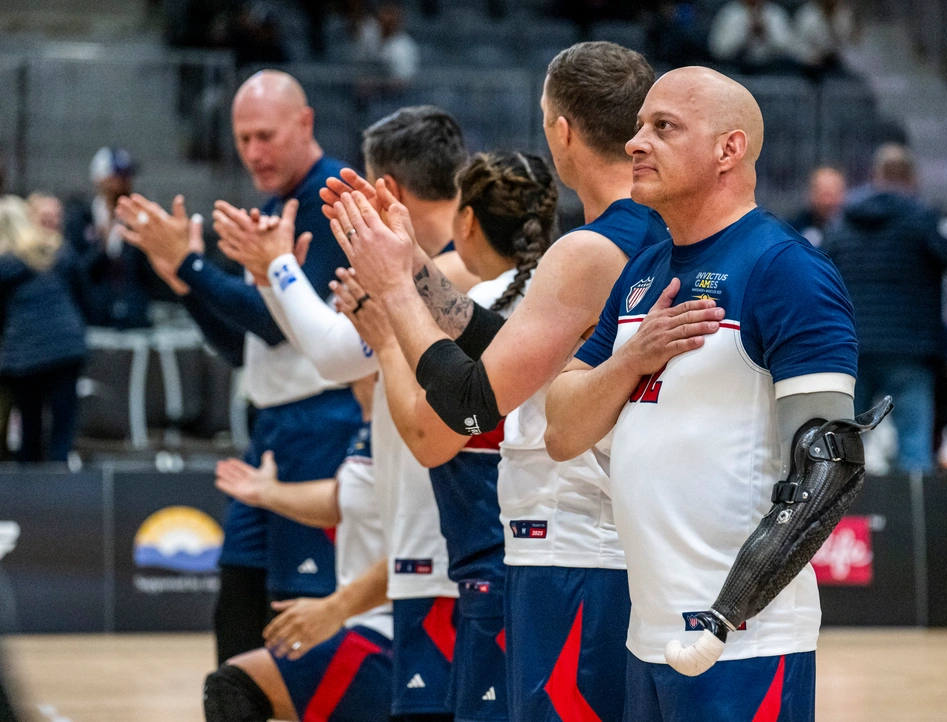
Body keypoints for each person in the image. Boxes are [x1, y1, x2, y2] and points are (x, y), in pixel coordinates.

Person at [321, 42, 709, 722]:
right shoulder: (653, 233)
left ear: (561, 130)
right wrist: (414, 265)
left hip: (576, 547)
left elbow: (473, 406)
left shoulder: (589, 250)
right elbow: (519, 356)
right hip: (621, 545)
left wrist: (393, 296)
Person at [544, 66, 866, 719]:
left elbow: (828, 475)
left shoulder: (787, 271)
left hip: (746, 646)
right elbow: (562, 430)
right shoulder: (643, 272)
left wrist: (729, 611)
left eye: (663, 128)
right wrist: (634, 356)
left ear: (729, 148)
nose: (636, 142)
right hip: (648, 635)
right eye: (638, 126)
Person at [212, 105, 476, 721]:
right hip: (421, 577)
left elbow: (336, 355)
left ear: (388, 191)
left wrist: (279, 267)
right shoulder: (444, 273)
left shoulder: (447, 276)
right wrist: (272, 278)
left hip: (436, 577)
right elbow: (339, 349)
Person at [115, 70, 364, 665]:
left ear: (305, 123)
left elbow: (279, 323)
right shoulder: (275, 206)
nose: (252, 151)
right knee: (237, 609)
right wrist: (185, 280)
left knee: (294, 616)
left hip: (322, 424)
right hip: (274, 427)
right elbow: (243, 346)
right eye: (243, 138)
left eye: (265, 135)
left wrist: (195, 270)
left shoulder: (329, 196)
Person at [327, 150, 559, 722]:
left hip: (484, 564)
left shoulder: (471, 308)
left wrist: (385, 338)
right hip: (539, 561)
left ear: (468, 221)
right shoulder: (560, 301)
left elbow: (429, 439)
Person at [205, 376, 395, 722]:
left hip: (403, 627)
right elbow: (344, 497)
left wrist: (335, 609)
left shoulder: (410, 411)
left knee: (235, 685)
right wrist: (268, 493)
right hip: (368, 618)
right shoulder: (371, 412)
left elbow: (426, 547)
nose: (342, 318)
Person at [825, 144, 947, 473]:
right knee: (914, 446)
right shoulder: (921, 219)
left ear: (876, 177)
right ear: (910, 178)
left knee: (843, 449)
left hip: (852, 347)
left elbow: (819, 275)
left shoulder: (840, 222)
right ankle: (913, 523)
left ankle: (841, 522)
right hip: (910, 349)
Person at [0, 196, 87, 463]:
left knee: (30, 429)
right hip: (67, 346)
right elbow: (84, 297)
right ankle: (61, 497)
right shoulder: (56, 250)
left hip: (24, 355)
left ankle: (29, 499)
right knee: (62, 432)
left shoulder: (5, 266)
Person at [64, 147, 153, 329]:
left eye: (127, 176)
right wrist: (101, 245)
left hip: (135, 312)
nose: (124, 182)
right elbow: (77, 270)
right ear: (100, 178)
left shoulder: (141, 218)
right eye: (118, 176)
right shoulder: (81, 217)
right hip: (94, 312)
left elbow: (149, 271)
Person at [708, 0, 798, 74]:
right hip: (736, 67)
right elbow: (718, 50)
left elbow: (788, 49)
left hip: (771, 67)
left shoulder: (775, 13)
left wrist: (765, 33)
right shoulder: (730, 13)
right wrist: (746, 34)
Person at [355, 2, 419, 83]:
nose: (387, 19)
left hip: (392, 93)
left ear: (400, 19)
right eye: (385, 12)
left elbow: (403, 82)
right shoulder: (368, 32)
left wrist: (373, 85)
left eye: (392, 14)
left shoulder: (405, 47)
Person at [787, 166, 846, 248]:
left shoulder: (853, 230)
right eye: (823, 194)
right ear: (811, 194)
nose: (827, 202)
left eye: (832, 194)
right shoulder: (794, 228)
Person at [793, 0, 855, 75]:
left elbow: (847, 42)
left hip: (837, 62)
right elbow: (798, 43)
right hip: (808, 63)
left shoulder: (844, 15)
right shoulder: (807, 15)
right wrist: (810, 55)